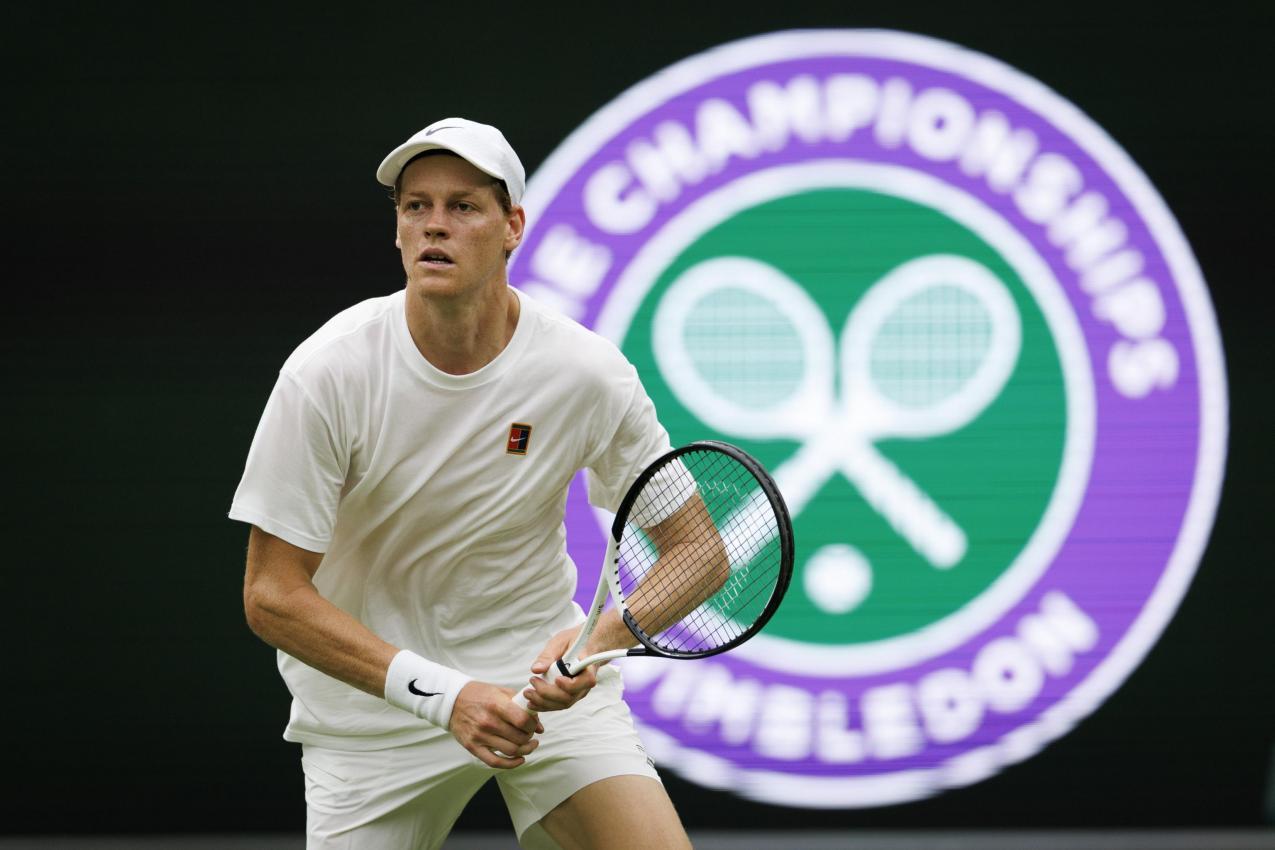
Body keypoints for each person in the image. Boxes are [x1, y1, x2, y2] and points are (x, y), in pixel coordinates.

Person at [231, 117, 694, 849]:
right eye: (415, 207)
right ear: (397, 230)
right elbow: (271, 595)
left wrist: (596, 641)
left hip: (543, 694)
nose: (434, 225)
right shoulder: (328, 372)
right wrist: (443, 696)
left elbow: (698, 549)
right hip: (375, 716)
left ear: (512, 228)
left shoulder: (585, 373)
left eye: (462, 206)